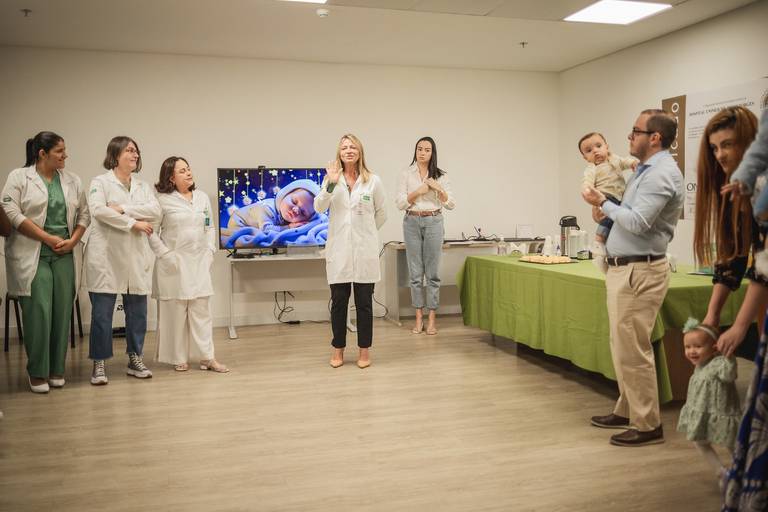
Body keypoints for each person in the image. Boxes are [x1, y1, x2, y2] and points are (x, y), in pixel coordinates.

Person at [582, 109, 684, 447]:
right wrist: (606, 209)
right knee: (622, 345)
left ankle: (647, 423)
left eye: (635, 131)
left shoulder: (660, 174)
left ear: (654, 137)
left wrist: (603, 203)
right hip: (624, 269)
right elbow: (627, 215)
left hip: (639, 271)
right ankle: (628, 409)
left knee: (634, 349)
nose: (629, 136)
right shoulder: (644, 170)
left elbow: (638, 223)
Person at [1, 131, 89, 393]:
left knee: (62, 310)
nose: (65, 155)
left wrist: (73, 241)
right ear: (42, 154)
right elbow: (11, 212)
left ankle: (56, 369)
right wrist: (47, 238)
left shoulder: (73, 180)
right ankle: (37, 371)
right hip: (33, 252)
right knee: (39, 310)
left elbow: (84, 214)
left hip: (64, 253)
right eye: (59, 151)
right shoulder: (19, 177)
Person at [85, 136, 160, 385]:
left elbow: (155, 211)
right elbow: (99, 211)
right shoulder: (100, 182)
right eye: (129, 150)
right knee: (102, 315)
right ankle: (99, 362)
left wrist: (123, 208)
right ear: (115, 154)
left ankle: (135, 358)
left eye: (136, 151)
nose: (135, 154)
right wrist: (133, 223)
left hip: (135, 258)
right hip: (106, 259)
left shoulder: (143, 186)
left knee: (138, 313)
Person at [149, 156, 228, 373]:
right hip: (173, 264)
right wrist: (166, 255)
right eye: (182, 171)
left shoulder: (201, 197)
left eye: (188, 169)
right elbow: (151, 232)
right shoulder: (161, 200)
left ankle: (207, 357)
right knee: (175, 314)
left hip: (199, 262)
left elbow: (209, 227)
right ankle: (178, 358)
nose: (188, 173)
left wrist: (210, 250)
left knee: (201, 312)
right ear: (171, 177)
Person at [314, 134, 386, 369]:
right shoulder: (331, 180)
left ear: (360, 151)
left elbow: (382, 213)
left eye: (353, 146)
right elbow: (319, 207)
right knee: (339, 303)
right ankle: (338, 349)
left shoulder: (373, 181)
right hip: (339, 251)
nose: (348, 150)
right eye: (344, 147)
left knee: (364, 304)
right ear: (339, 153)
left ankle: (364, 351)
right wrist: (331, 183)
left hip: (365, 252)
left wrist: (365, 233)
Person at [395, 136, 455, 335]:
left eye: (427, 150)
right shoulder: (406, 173)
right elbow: (400, 203)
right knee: (415, 273)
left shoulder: (441, 175)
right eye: (419, 149)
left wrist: (439, 189)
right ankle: (418, 317)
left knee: (432, 273)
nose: (422, 153)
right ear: (415, 151)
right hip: (411, 221)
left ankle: (432, 319)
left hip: (434, 221)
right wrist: (418, 191)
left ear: (432, 153)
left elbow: (451, 204)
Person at [676, 318, 740, 482]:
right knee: (699, 441)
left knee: (732, 443)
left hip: (721, 412)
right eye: (687, 347)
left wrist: (729, 356)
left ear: (714, 347)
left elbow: (729, 375)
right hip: (703, 412)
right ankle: (720, 472)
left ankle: (743, 468)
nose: (692, 351)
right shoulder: (700, 365)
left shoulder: (719, 363)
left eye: (698, 346)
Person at [577, 132, 637, 272]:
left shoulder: (614, 160)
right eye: (589, 150)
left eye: (598, 146)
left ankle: (607, 253)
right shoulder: (592, 168)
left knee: (615, 223)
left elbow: (625, 162)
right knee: (608, 219)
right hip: (605, 196)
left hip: (620, 199)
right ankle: (598, 242)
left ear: (607, 147)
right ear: (585, 157)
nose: (595, 151)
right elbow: (587, 181)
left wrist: (633, 163)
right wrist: (587, 190)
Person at [221, 179, 328, 248]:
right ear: (284, 194)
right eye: (294, 202)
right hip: (239, 223)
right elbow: (266, 230)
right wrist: (288, 227)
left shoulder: (284, 214)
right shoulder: (267, 208)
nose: (296, 210)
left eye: (303, 213)